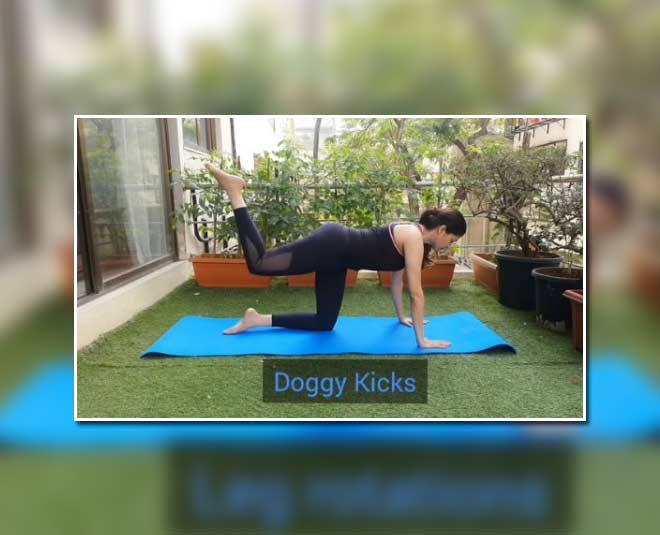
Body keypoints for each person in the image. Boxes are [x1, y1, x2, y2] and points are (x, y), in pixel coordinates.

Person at [205, 163, 466, 349]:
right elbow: (417, 294)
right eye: (452, 239)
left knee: (324, 322)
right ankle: (235, 191)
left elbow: (398, 282)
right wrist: (423, 340)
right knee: (259, 263)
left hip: (338, 261)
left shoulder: (414, 240)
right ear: (442, 230)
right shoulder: (413, 237)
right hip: (332, 244)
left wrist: (401, 318)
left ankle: (256, 319)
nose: (449, 245)